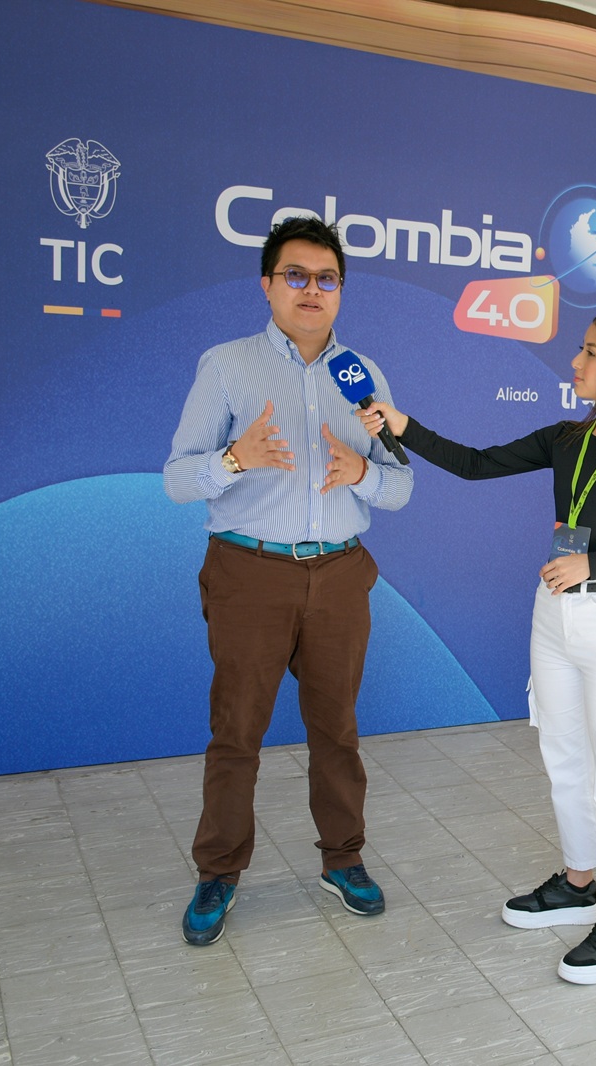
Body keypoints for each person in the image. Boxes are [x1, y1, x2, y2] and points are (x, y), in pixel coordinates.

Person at [357, 308, 596, 983]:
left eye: (590, 353)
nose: (575, 362)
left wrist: (593, 565)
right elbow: (476, 465)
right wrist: (403, 426)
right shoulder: (567, 438)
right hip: (555, 616)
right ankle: (578, 882)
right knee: (564, 757)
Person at [163, 215, 413, 946]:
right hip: (249, 573)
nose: (312, 290)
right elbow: (177, 479)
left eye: (326, 278)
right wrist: (234, 459)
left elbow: (401, 486)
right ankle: (219, 871)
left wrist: (362, 471)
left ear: (341, 290)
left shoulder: (363, 376)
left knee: (337, 730)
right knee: (237, 731)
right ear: (267, 286)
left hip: (339, 575)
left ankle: (344, 859)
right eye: (296, 276)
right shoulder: (226, 367)